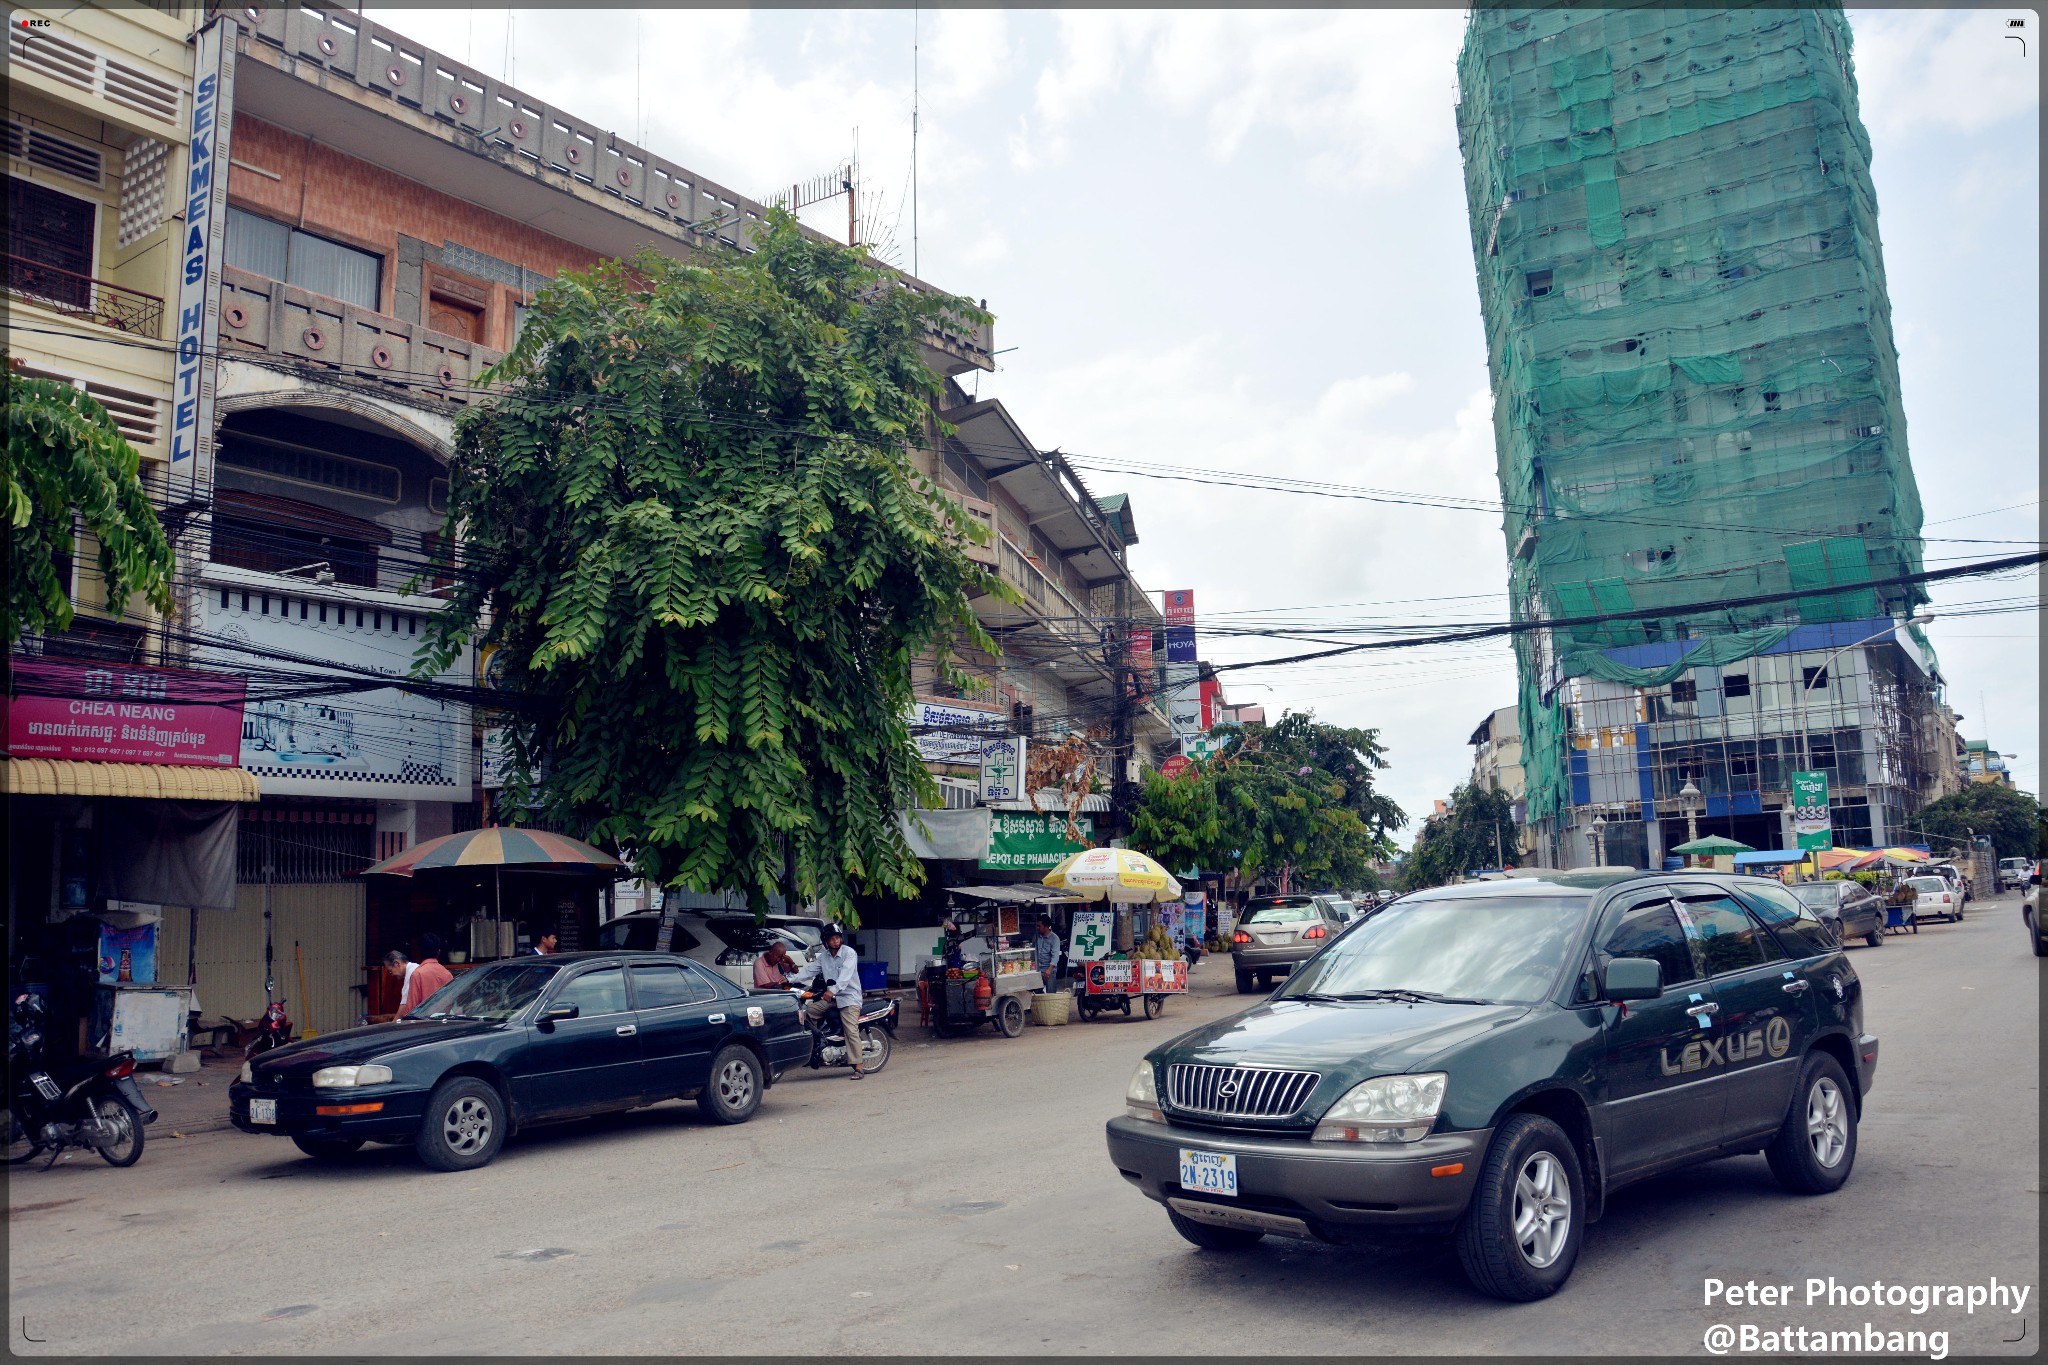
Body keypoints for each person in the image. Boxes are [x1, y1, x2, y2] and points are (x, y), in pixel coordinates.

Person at [796, 924, 865, 1079]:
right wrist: (788, 979)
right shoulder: (825, 957)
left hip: (849, 998)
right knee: (807, 1013)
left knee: (851, 1030)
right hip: (833, 998)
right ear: (826, 942)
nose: (835, 941)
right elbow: (809, 971)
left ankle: (859, 1067)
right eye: (831, 939)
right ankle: (819, 1044)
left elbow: (845, 978)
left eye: (837, 937)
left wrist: (831, 991)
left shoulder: (849, 954)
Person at [399, 933, 453, 1016]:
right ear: (438, 951)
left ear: (419, 951)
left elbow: (412, 1006)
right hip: (443, 1022)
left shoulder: (417, 974)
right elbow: (451, 1002)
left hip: (423, 1024)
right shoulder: (447, 974)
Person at [381, 949, 415, 1019]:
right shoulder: (415, 967)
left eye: (390, 971)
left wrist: (394, 1024)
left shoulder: (411, 973)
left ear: (397, 964)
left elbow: (404, 1004)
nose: (392, 974)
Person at [1030, 916, 1061, 991]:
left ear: (1046, 926)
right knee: (1036, 995)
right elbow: (1032, 950)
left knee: (1051, 996)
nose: (1037, 928)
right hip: (1038, 970)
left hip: (1049, 971)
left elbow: (1055, 956)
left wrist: (1049, 970)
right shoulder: (1036, 935)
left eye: (1039, 926)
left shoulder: (1055, 938)